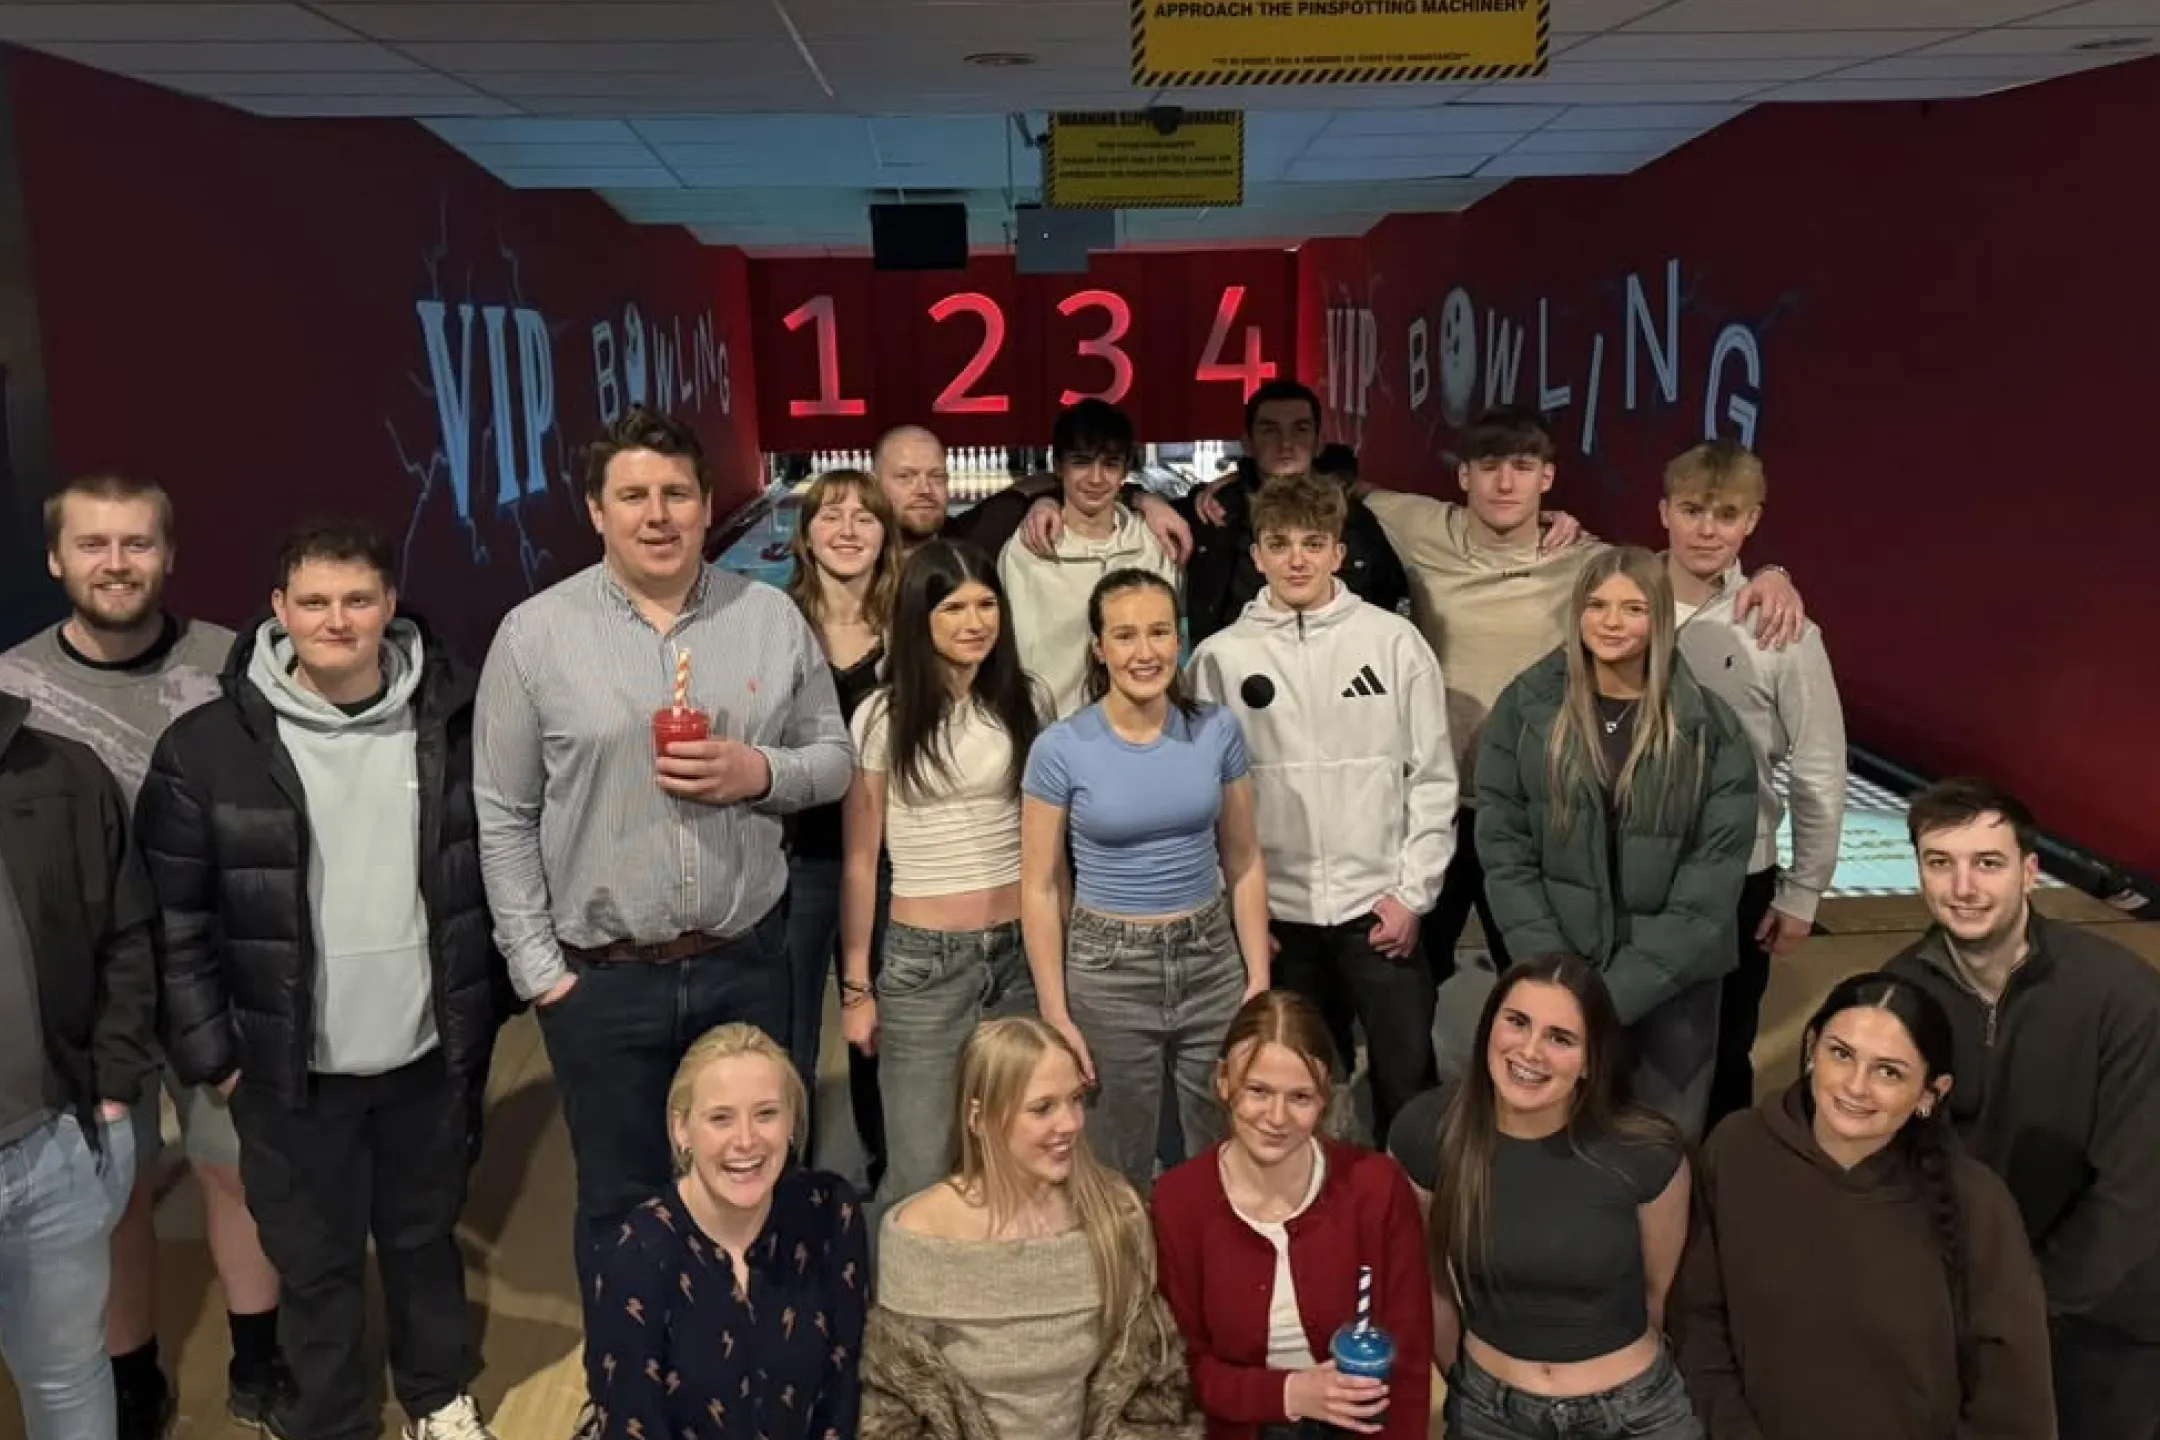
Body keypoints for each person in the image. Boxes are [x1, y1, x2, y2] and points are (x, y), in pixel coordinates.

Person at [475, 407, 852, 1313]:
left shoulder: (768, 619)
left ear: (706, 503)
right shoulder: (534, 635)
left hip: (744, 963)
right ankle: (634, 1387)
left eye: (676, 494)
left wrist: (757, 771)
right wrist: (539, 973)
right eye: (633, 495)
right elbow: (501, 813)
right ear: (597, 512)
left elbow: (833, 760)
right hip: (602, 982)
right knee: (621, 1202)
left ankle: (752, 1374)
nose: (658, 514)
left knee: (753, 1184)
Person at [136, 521, 505, 1440]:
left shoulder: (455, 723)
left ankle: (436, 1396)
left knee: (424, 1242)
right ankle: (333, 1419)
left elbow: (497, 878)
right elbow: (174, 925)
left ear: (389, 605)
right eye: (313, 602)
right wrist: (217, 1058)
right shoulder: (203, 749)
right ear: (277, 612)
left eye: (355, 600)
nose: (335, 620)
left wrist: (480, 1017)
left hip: (426, 1050)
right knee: (315, 1261)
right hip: (284, 1068)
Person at [0, 470, 287, 1437]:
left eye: (135, 544)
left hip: (220, 967)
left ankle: (257, 1353)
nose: (115, 563)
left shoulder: (231, 664)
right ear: (56, 559)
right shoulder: (12, 687)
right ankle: (130, 1374)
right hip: (84, 986)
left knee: (234, 1168)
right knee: (107, 1187)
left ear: (169, 554)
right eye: (93, 544)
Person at [1344, 407, 1803, 989]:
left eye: (1523, 466)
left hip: (1538, 808)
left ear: (1548, 478)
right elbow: (1342, 484)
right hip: (1439, 805)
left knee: (1543, 979)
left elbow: (1675, 570)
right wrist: (1222, 490)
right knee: (1410, 979)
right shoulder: (1420, 524)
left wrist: (1771, 573)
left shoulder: (1583, 557)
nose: (1505, 483)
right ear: (1463, 477)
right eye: (1488, 467)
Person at [1882, 778, 2160, 1440]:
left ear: (2030, 872)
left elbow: (2136, 1190)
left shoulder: (2123, 997)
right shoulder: (1897, 998)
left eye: (1987, 863)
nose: (1963, 888)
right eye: (1940, 863)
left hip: (2106, 1322)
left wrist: (2025, 1302)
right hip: (1965, 1316)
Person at [1189, 475, 1458, 1144]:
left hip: (1378, 913)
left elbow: (1431, 775)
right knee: (1298, 1088)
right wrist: (1239, 907)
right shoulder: (1222, 658)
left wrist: (1412, 895)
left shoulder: (1393, 644)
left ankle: (1414, 1224)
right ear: (1257, 556)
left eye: (1313, 543)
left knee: (1407, 1081)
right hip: (1280, 918)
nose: (1297, 559)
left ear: (1339, 552)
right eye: (1280, 545)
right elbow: (1203, 801)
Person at [1670, 972, 2055, 1439]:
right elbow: (1699, 1320)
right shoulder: (1736, 1150)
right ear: (1811, 1048)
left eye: (1889, 1072)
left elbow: (2012, 1394)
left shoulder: (1977, 1201)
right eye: (1841, 1054)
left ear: (1931, 1094)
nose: (1856, 1086)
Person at [1473, 546, 1757, 1139]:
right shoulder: (1525, 711)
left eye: (1632, 608)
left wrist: (1615, 993)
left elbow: (1712, 880)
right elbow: (1503, 848)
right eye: (1597, 605)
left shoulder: (1711, 728)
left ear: (1660, 619)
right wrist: (1558, 976)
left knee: (1658, 1145)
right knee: (1554, 1138)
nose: (1611, 621)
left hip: (1674, 987)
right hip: (1557, 976)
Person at [1020, 570, 1268, 1190]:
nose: (1146, 651)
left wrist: (1258, 976)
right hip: (1109, 970)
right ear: (1099, 648)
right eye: (1125, 636)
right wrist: (1055, 1008)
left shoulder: (1216, 728)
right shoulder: (1060, 748)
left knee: (1221, 1150)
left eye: (1160, 632)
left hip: (1210, 958)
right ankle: (1126, 1284)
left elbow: (1243, 860)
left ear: (1179, 639)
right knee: (1115, 1162)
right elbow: (1041, 887)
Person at [859, 1017, 1199, 1440]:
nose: (1071, 1123)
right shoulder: (919, 1234)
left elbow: (1152, 1391)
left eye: (1076, 1099)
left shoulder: (1117, 1217)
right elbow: (895, 1410)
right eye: (1043, 1108)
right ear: (979, 1118)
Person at [1406, 956, 1698, 1440]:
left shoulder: (1648, 1151)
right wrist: (1469, 1384)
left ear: (1591, 1061)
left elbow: (1659, 1293)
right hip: (1488, 1410)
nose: (1530, 1051)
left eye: (1561, 1038)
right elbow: (1429, 1285)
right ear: (1489, 1027)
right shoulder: (1429, 1133)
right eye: (1517, 1023)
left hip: (1633, 1413)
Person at [838, 540, 1045, 1207]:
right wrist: (857, 987)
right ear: (919, 618)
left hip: (1017, 955)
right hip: (924, 967)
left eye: (987, 605)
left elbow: (1049, 856)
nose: (974, 622)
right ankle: (902, 1312)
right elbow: (860, 861)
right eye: (954, 607)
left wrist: (1055, 966)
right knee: (921, 1172)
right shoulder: (880, 715)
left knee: (1020, 1159)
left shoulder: (1027, 699)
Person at [1660, 440, 1847, 1130]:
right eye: (1692, 510)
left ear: (1751, 522)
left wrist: (1803, 889)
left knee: (1723, 1049)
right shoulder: (1618, 601)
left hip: (1735, 876)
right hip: (1625, 869)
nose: (1707, 529)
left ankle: (1716, 1188)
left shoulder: (1785, 631)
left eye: (1726, 513)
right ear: (1664, 513)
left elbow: (1820, 767)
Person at [1152, 991, 1432, 1440]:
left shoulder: (1376, 1188)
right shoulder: (1179, 1200)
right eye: (1258, 1091)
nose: (1276, 1118)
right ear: (1225, 1083)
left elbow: (1409, 1356)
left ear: (1325, 1099)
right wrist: (1289, 1393)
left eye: (1300, 1097)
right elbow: (1183, 1371)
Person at [0, 690, 159, 1440]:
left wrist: (115, 1096)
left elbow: (125, 938)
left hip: (53, 1147)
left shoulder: (62, 773)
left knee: (67, 1377)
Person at [585, 1023, 868, 1440]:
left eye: (767, 1114)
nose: (746, 1141)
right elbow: (632, 1425)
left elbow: (842, 1396)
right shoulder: (636, 1255)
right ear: (683, 1130)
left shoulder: (830, 1212)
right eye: (721, 1119)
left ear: (792, 1121)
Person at [781, 468, 901, 1184]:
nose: (849, 529)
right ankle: (785, 1183)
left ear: (886, 534)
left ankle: (888, 1175)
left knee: (877, 1032)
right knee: (788, 1037)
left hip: (889, 864)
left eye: (865, 516)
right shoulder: (774, 626)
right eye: (831, 515)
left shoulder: (911, 627)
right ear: (804, 535)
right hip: (795, 864)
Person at [1176, 381, 1407, 645]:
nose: (1286, 443)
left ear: (1319, 443)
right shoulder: (1211, 512)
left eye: (1300, 429)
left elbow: (1387, 601)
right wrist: (1140, 497)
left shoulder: (1356, 520)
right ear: (1248, 443)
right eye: (1269, 430)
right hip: (1234, 674)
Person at [999, 400, 1182, 719]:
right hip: (1050, 736)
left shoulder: (1154, 547)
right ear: (1058, 466)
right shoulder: (1024, 552)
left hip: (1143, 731)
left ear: (1125, 470)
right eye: (1082, 462)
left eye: (1110, 464)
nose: (1096, 479)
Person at [874, 422, 1190, 567]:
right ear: (873, 484)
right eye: (905, 477)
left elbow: (1055, 481)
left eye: (937, 476)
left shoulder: (973, 538)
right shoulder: (852, 557)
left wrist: (1144, 498)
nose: (924, 490)